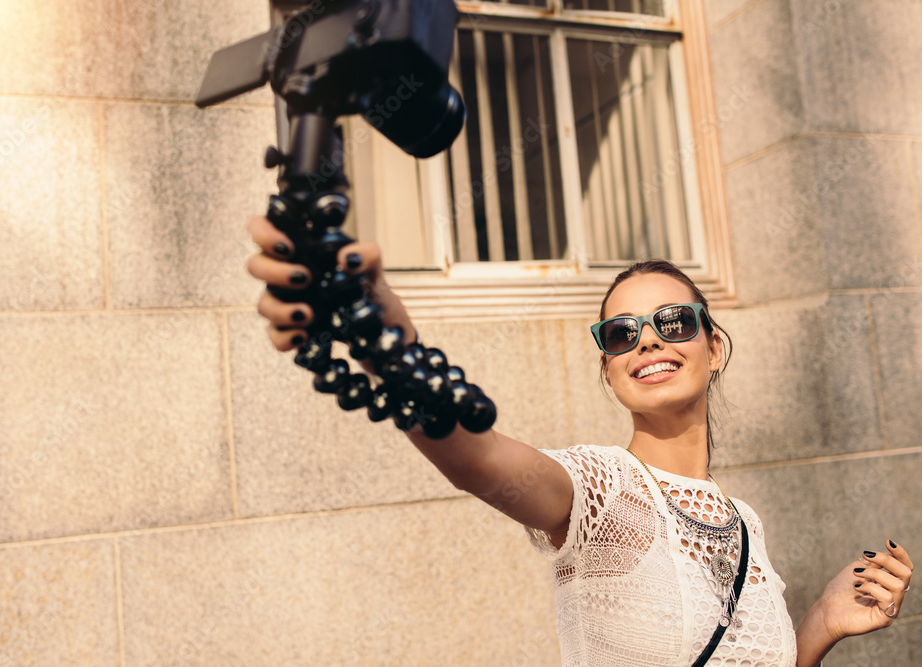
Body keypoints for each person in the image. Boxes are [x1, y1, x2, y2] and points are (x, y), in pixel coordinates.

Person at [246, 215, 913, 666]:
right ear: (609, 368)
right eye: (621, 333)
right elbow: (474, 459)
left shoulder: (746, 523)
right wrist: (381, 335)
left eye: (673, 320)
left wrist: (821, 623)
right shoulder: (604, 490)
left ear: (714, 346)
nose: (647, 338)